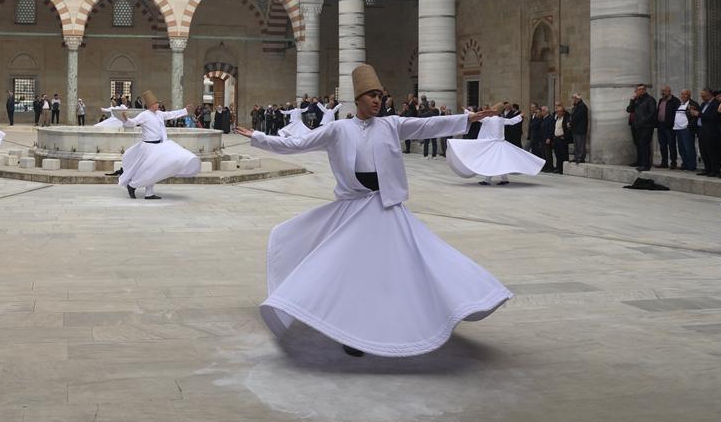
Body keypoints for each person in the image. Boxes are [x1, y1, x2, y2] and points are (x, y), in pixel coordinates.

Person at [236, 64, 510, 357]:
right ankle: (351, 331)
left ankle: (408, 318)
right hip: (353, 208)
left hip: (386, 207)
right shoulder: (338, 129)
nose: (377, 100)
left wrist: (469, 118)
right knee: (349, 271)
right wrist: (258, 138)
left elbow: (429, 126)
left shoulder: (392, 125)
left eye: (380, 95)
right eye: (371, 95)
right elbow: (297, 144)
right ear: (358, 99)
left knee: (409, 264)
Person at [119, 90, 198, 200]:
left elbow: (171, 114)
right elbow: (133, 122)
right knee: (148, 170)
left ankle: (149, 193)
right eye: (156, 103)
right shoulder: (144, 115)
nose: (158, 105)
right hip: (148, 147)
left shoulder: (160, 114)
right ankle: (132, 186)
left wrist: (185, 110)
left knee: (154, 170)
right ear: (151, 105)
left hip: (159, 146)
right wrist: (126, 119)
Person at [447, 101, 544, 185]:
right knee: (500, 162)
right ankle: (503, 179)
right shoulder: (500, 119)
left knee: (492, 162)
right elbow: (511, 121)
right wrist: (520, 116)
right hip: (499, 144)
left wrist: (467, 111)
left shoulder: (490, 119)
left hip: (494, 144)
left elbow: (478, 116)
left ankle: (488, 180)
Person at [627, 84, 656, 172]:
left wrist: (643, 122)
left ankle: (646, 165)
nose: (636, 92)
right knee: (639, 144)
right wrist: (632, 101)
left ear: (643, 90)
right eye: (636, 91)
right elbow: (629, 110)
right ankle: (640, 162)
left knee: (644, 144)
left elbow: (652, 113)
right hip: (637, 126)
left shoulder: (650, 99)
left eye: (637, 90)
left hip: (646, 126)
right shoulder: (637, 100)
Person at [696, 88, 721, 176]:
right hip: (702, 130)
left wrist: (699, 114)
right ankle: (707, 168)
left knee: (712, 151)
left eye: (704, 96)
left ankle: (715, 170)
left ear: (710, 94)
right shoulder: (703, 104)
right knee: (703, 151)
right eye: (701, 96)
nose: (702, 98)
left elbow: (714, 117)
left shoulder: (716, 103)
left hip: (711, 131)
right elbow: (700, 114)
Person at [655, 85, 680, 168]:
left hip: (670, 127)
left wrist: (672, 123)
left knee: (671, 145)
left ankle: (673, 162)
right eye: (661, 91)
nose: (662, 93)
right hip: (661, 126)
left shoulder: (675, 101)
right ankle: (664, 162)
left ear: (669, 91)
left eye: (664, 91)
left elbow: (677, 114)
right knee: (662, 145)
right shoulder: (661, 100)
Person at [545, 102, 571, 173]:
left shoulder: (565, 119)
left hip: (562, 139)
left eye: (559, 111)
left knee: (564, 154)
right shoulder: (556, 119)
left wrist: (564, 136)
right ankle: (559, 168)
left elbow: (568, 129)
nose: (558, 113)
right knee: (557, 154)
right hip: (556, 138)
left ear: (563, 112)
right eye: (557, 112)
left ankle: (564, 169)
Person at [570, 94, 588, 164]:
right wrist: (569, 122)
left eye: (574, 99)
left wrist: (570, 123)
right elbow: (572, 116)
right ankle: (576, 157)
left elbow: (577, 117)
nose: (573, 100)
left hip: (580, 129)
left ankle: (581, 158)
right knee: (576, 145)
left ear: (577, 99)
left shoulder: (582, 107)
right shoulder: (576, 107)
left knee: (580, 144)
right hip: (575, 129)